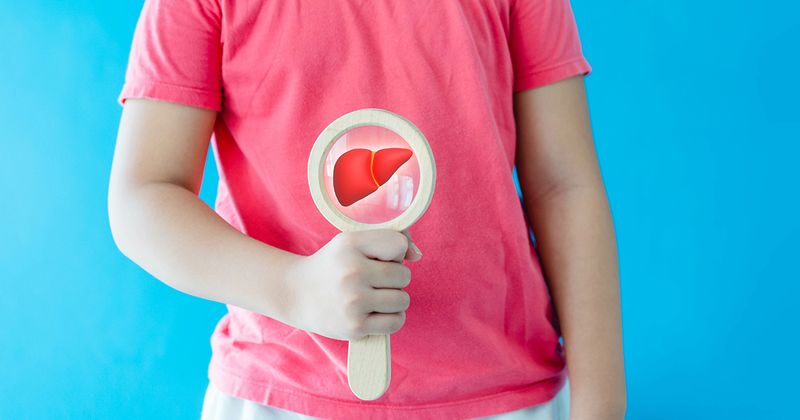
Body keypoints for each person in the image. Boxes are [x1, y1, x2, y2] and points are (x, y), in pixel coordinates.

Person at [108, 0, 626, 419]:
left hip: (513, 396)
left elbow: (564, 187)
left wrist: (601, 406)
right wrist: (293, 288)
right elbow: (144, 194)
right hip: (279, 395)